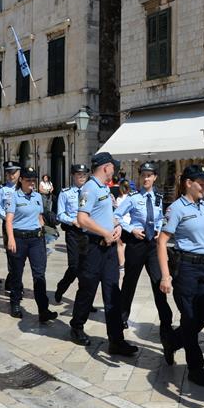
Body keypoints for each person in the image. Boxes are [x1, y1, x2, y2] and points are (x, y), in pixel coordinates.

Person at [157, 164, 204, 387]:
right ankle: (195, 368)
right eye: (201, 183)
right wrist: (165, 276)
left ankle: (173, 341)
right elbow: (162, 241)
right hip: (185, 269)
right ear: (188, 183)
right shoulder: (176, 208)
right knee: (190, 317)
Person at [68, 152, 138, 356]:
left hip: (109, 250)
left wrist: (116, 228)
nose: (114, 171)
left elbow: (106, 216)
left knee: (113, 294)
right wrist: (105, 232)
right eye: (113, 168)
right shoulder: (90, 188)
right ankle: (77, 326)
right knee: (87, 290)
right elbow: (82, 219)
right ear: (106, 167)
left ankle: (116, 340)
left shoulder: (104, 190)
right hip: (93, 249)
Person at [115, 162, 173, 336]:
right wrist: (131, 229)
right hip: (136, 244)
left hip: (153, 246)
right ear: (139, 177)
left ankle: (165, 320)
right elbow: (116, 216)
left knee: (158, 282)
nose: (146, 178)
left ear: (155, 177)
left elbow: (160, 217)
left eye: (149, 175)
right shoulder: (132, 198)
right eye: (143, 175)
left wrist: (159, 228)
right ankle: (122, 317)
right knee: (130, 282)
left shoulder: (158, 197)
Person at [3, 166, 56, 321]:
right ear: (21, 180)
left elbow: (39, 217)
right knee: (16, 273)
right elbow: (9, 221)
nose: (32, 183)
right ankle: (15, 304)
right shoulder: (14, 197)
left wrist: (46, 234)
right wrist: (11, 239)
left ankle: (43, 310)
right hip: (19, 239)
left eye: (34, 180)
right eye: (29, 180)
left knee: (39, 275)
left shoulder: (38, 197)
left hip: (36, 240)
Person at [54, 164, 89, 303]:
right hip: (73, 233)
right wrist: (73, 221)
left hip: (87, 233)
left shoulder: (89, 192)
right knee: (74, 267)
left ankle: (84, 300)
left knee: (86, 269)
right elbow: (60, 215)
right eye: (79, 175)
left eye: (84, 175)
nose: (82, 177)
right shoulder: (66, 193)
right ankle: (61, 287)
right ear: (73, 176)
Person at [0, 160, 22, 291]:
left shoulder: (25, 187)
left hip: (24, 224)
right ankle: (14, 281)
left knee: (22, 253)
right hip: (9, 224)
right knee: (11, 252)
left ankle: (13, 279)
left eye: (14, 173)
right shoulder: (2, 189)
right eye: (9, 173)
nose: (11, 176)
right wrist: (8, 217)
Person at [114, 180, 132, 271]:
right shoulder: (131, 198)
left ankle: (122, 264)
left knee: (120, 244)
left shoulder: (119, 199)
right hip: (129, 223)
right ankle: (127, 262)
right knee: (126, 245)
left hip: (121, 224)